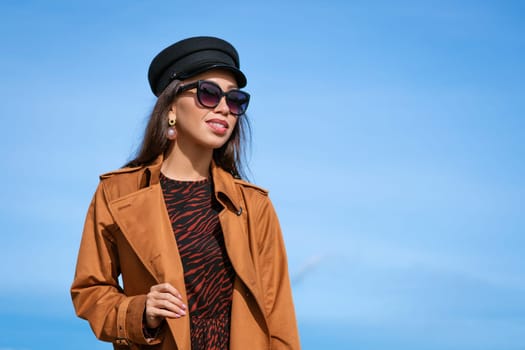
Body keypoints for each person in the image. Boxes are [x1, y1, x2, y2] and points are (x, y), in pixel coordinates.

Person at [70, 36, 300, 350]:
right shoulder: (116, 193)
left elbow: (279, 320)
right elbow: (90, 291)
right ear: (171, 106)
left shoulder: (254, 206)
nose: (223, 108)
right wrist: (140, 312)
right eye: (208, 93)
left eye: (235, 100)